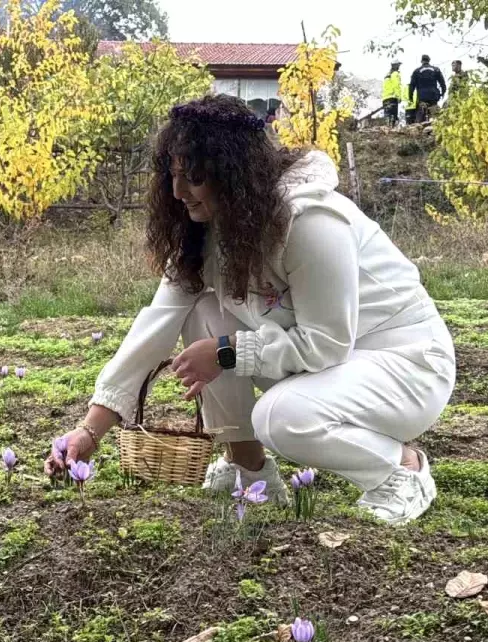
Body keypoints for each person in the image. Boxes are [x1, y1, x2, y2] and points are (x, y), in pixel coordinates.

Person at [45, 95, 456, 525]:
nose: (177, 192)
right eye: (173, 175)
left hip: (404, 364)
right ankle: (248, 466)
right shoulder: (207, 232)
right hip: (332, 364)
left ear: (232, 172)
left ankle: (401, 470)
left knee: (280, 417)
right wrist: (89, 430)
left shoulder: (310, 221)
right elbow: (156, 325)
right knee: (201, 310)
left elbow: (327, 343)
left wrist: (226, 352)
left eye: (194, 177)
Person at [408, 55, 446, 123]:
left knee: (420, 117)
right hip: (433, 96)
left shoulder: (416, 71)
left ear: (421, 61)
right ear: (429, 60)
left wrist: (410, 97)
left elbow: (411, 86)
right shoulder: (436, 69)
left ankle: (419, 126)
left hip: (422, 97)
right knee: (435, 117)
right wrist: (442, 93)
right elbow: (442, 83)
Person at [381, 60, 404, 126]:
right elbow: (396, 85)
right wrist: (399, 96)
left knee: (387, 116)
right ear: (396, 66)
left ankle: (386, 131)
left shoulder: (387, 75)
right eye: (398, 65)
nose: (399, 67)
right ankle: (392, 131)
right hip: (392, 97)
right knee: (393, 117)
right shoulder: (395, 74)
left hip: (385, 98)